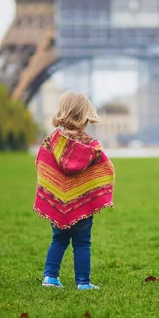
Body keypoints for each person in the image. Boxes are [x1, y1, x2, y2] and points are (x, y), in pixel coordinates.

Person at [33, 92, 115, 290]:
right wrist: (92, 191)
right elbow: (106, 170)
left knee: (58, 239)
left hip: (56, 203)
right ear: (86, 115)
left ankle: (50, 277)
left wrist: (54, 193)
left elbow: (41, 166)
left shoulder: (50, 141)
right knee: (82, 243)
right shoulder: (92, 145)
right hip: (83, 204)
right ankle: (83, 283)